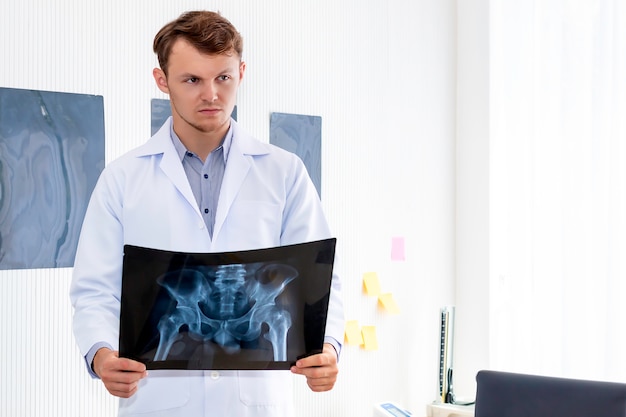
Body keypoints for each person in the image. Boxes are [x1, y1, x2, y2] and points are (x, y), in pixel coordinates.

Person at [69, 10, 344, 417]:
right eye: (192, 80)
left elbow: (322, 278)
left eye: (223, 78)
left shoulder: (283, 172)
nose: (212, 95)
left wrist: (329, 347)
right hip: (158, 403)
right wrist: (101, 356)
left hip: (256, 403)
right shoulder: (122, 179)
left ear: (242, 72)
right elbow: (95, 290)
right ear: (162, 81)